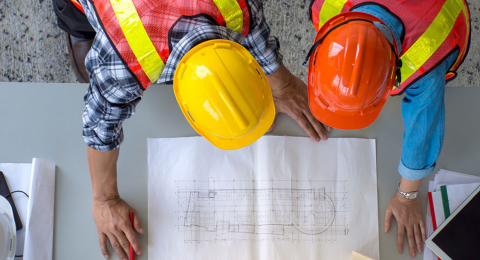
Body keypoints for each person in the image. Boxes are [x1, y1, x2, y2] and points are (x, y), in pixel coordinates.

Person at [52, 0, 332, 259]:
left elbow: (254, 30)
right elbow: (99, 126)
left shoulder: (239, 5)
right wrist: (105, 199)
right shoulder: (120, 64)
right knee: (81, 22)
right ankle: (81, 32)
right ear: (185, 107)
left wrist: (281, 84)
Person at [306, 0, 470, 257]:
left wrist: (407, 195)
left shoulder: (426, 59)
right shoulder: (327, 8)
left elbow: (423, 130)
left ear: (393, 77)